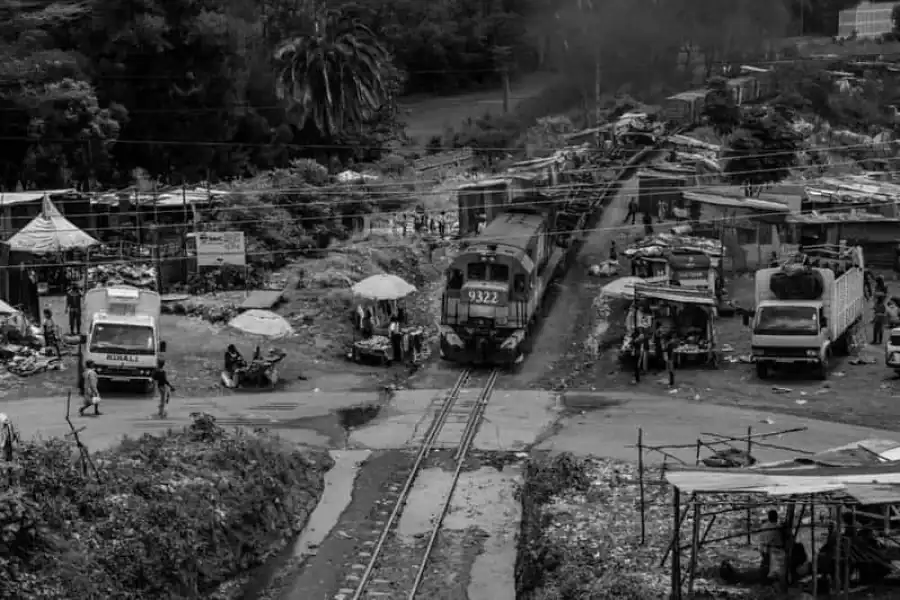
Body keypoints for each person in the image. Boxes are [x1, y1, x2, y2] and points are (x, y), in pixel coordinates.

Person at [759, 509, 785, 574]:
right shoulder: (777, 527)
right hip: (773, 552)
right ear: (776, 517)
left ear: (768, 517)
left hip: (763, 550)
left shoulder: (763, 526)